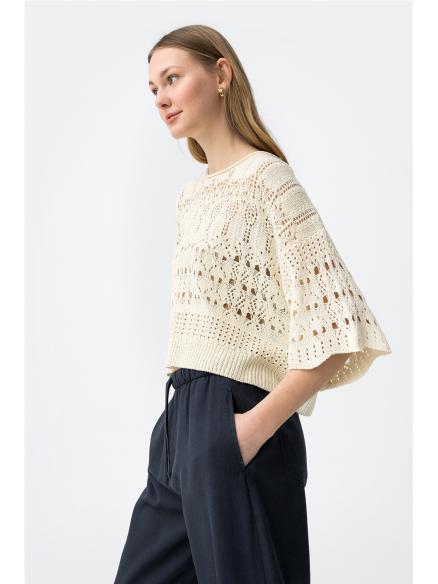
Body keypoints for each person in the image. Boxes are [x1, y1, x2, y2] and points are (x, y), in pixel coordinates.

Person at [113, 24, 391, 584]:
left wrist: (250, 431)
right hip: (180, 421)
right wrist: (183, 434)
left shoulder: (269, 180)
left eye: (173, 78)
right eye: (153, 88)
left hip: (235, 418)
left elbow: (340, 331)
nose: (161, 97)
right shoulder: (192, 197)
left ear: (221, 74)